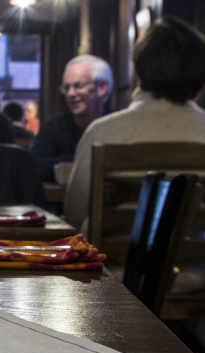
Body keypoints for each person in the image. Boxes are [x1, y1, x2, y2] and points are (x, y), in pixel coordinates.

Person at [64, 16, 205, 234]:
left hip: (112, 266)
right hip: (197, 266)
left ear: (139, 67)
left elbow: (74, 215)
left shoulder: (103, 132)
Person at [30, 55, 113, 182]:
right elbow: (34, 166)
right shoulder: (52, 127)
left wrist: (65, 164)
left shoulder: (116, 126)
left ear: (101, 88)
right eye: (66, 88)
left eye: (78, 86)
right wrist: (90, 159)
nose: (71, 94)